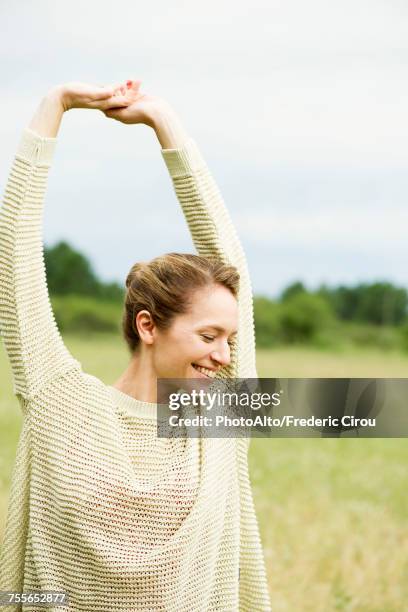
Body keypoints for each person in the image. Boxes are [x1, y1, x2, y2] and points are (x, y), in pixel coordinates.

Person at [0, 80, 271, 611]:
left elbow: (233, 262)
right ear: (149, 327)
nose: (223, 355)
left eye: (230, 339)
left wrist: (165, 123)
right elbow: (17, 261)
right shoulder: (62, 402)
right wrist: (53, 108)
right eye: (208, 335)